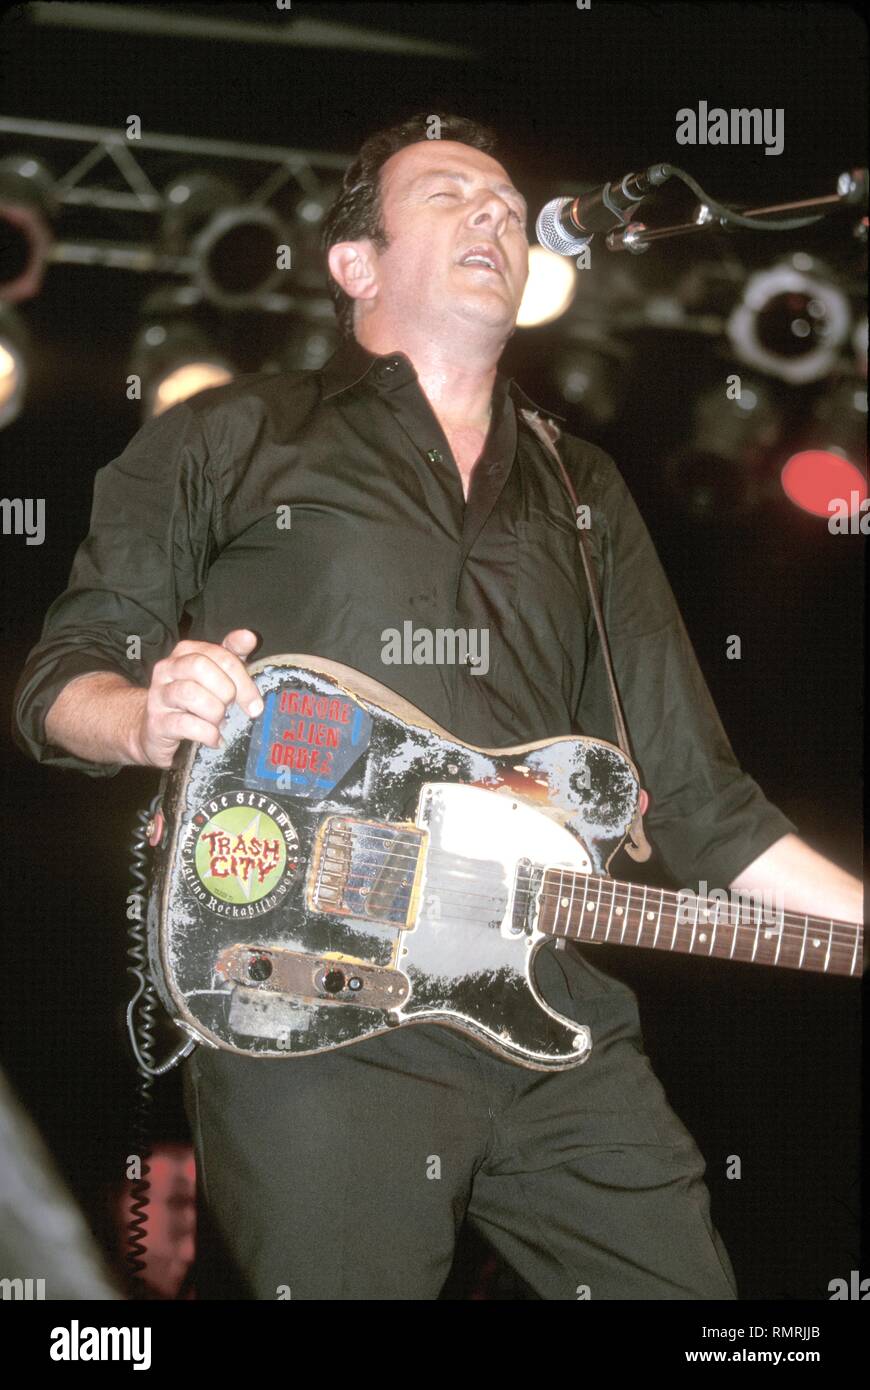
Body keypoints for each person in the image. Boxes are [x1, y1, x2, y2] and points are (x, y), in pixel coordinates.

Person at [12, 112, 861, 1301]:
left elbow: (704, 800)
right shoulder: (230, 433)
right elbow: (61, 685)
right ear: (356, 264)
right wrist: (143, 714)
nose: (495, 215)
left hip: (546, 1007)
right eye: (450, 193)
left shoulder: (586, 487)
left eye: (509, 205)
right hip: (307, 996)